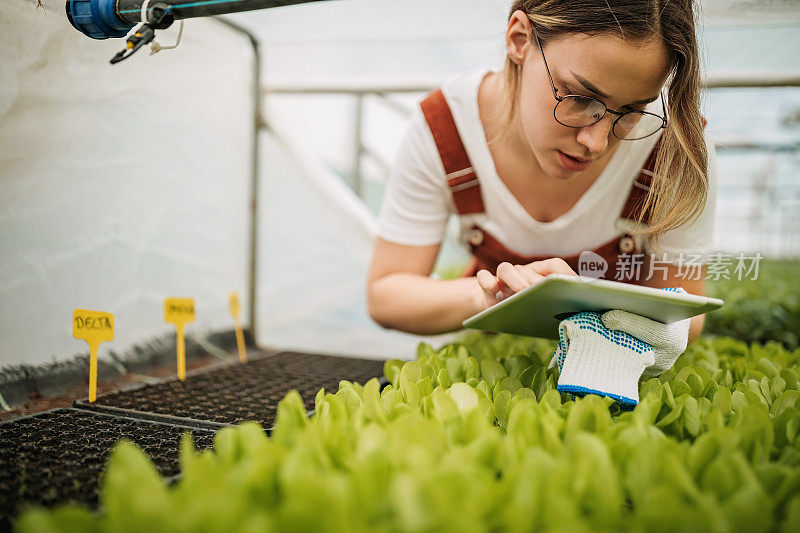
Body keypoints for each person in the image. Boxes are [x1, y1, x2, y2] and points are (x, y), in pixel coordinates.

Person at [367, 0, 716, 350]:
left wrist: (578, 306)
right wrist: (494, 294)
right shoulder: (446, 128)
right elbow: (386, 296)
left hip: (619, 363)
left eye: (632, 111)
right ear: (520, 40)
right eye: (581, 97)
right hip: (496, 361)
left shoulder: (676, 146)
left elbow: (686, 311)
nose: (595, 142)